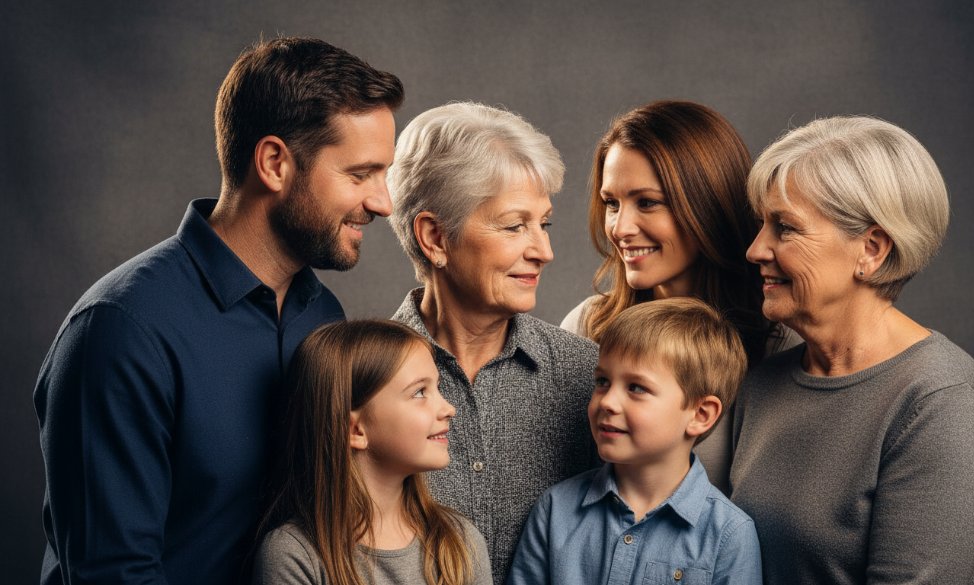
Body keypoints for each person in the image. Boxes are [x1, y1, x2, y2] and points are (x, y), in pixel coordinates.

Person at [34, 38, 404, 584]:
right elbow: (113, 573)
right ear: (275, 163)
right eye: (359, 175)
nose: (382, 203)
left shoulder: (322, 315)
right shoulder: (121, 330)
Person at [730, 116, 974, 584]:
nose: (756, 249)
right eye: (762, 225)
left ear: (871, 250)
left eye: (785, 228)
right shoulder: (762, 382)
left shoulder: (940, 401)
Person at [387, 102, 598, 583]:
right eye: (514, 225)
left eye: (543, 224)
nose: (544, 251)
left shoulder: (587, 376)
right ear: (435, 237)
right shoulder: (358, 381)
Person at [561, 100, 793, 490]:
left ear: (708, 205)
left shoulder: (780, 344)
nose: (621, 228)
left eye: (647, 203)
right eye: (611, 204)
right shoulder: (587, 329)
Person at [509, 298, 762, 585]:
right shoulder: (554, 510)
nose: (608, 402)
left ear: (700, 414)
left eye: (636, 388)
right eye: (602, 381)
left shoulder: (729, 534)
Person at [253, 320, 493, 585]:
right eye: (419, 392)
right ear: (355, 430)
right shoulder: (295, 554)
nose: (449, 408)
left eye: (438, 388)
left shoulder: (460, 541)